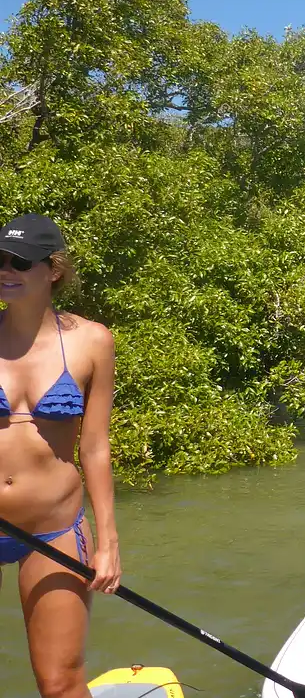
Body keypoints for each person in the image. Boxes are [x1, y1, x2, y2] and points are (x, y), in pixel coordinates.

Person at [0, 213, 121, 698]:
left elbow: (94, 446)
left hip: (54, 526)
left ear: (53, 269)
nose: (6, 269)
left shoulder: (92, 340)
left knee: (60, 683)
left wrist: (109, 542)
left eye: (20, 262)